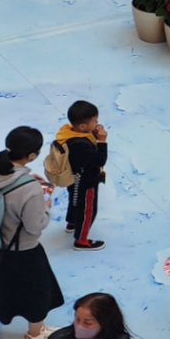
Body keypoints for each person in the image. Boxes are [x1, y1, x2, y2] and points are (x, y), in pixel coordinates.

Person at [0, 125, 64, 339]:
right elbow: (34, 226)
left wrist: (26, 180)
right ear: (32, 155)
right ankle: (34, 333)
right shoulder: (29, 188)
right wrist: (46, 204)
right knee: (36, 289)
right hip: (20, 249)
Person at [50, 99, 108, 250]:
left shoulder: (67, 133)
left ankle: (72, 222)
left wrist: (93, 134)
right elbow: (99, 160)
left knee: (75, 200)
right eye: (94, 121)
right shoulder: (80, 145)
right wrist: (102, 141)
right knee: (88, 209)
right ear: (83, 126)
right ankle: (81, 241)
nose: (97, 123)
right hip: (87, 181)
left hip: (73, 177)